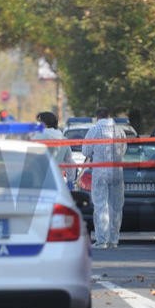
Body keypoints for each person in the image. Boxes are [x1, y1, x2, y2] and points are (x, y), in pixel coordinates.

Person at [82, 107, 126, 249]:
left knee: (101, 206)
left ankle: (102, 240)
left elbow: (86, 151)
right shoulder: (120, 131)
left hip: (100, 172)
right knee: (116, 206)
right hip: (118, 172)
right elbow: (124, 150)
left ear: (97, 118)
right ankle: (114, 240)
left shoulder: (93, 131)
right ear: (109, 116)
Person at [32, 111, 74, 186]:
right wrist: (70, 180)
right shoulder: (63, 139)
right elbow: (69, 162)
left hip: (39, 181)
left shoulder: (37, 138)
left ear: (44, 124)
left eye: (39, 122)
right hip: (57, 181)